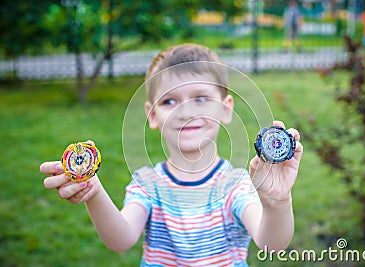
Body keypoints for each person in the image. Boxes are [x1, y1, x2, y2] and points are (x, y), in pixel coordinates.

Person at [40, 43, 303, 266]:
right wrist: (93, 193)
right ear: (153, 115)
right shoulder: (147, 184)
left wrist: (277, 203)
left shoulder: (236, 185)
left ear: (225, 109)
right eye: (169, 101)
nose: (185, 112)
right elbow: (120, 240)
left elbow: (271, 243)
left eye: (200, 98)